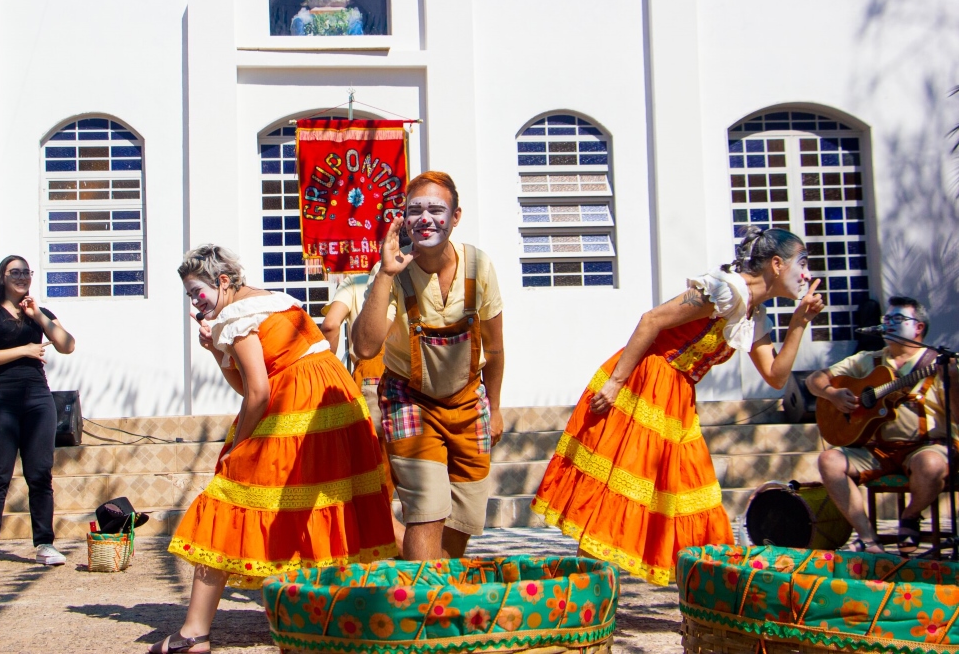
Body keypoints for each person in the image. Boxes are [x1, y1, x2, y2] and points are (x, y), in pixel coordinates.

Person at [533, 226, 824, 586]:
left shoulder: (753, 314)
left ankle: (710, 592)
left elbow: (777, 377)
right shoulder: (727, 290)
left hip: (678, 398)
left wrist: (798, 324)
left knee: (695, 493)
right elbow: (651, 320)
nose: (809, 274)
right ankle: (588, 591)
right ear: (777, 265)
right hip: (644, 383)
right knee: (618, 489)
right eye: (803, 263)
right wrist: (616, 382)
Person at [152, 245, 396, 654]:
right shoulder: (272, 300)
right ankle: (409, 591)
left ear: (223, 282)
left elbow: (257, 393)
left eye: (198, 292)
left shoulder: (235, 315)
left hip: (296, 411)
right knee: (338, 504)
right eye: (190, 296)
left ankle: (194, 633)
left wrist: (240, 446)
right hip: (335, 404)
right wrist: (217, 352)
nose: (195, 302)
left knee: (226, 498)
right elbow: (259, 381)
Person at [352, 170, 505, 561]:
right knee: (427, 513)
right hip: (410, 400)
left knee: (462, 519)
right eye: (415, 210)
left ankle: (431, 591)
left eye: (437, 209)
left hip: (468, 402)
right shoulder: (393, 270)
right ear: (403, 218)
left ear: (455, 217)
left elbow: (496, 348)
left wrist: (497, 407)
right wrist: (386, 273)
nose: (426, 218)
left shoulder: (479, 266)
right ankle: (425, 611)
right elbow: (365, 348)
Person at [810, 296, 959, 554]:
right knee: (829, 460)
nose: (888, 324)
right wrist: (831, 394)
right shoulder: (867, 359)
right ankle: (868, 539)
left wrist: (954, 381)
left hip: (927, 448)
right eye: (886, 319)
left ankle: (910, 516)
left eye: (898, 319)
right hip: (877, 450)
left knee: (931, 464)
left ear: (919, 328)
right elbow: (815, 379)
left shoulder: (940, 363)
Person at [0, 255, 76, 571]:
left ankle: (44, 543)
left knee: (40, 473)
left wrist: (38, 316)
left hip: (37, 400)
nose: (22, 276)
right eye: (14, 272)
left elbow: (67, 345)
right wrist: (25, 350)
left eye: (26, 272)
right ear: (2, 276)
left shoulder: (37, 314)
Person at [320, 273, 406, 551]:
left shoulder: (355, 284)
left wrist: (328, 368)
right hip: (410, 373)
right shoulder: (416, 277)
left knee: (373, 467)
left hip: (370, 375)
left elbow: (331, 324)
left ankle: (384, 540)